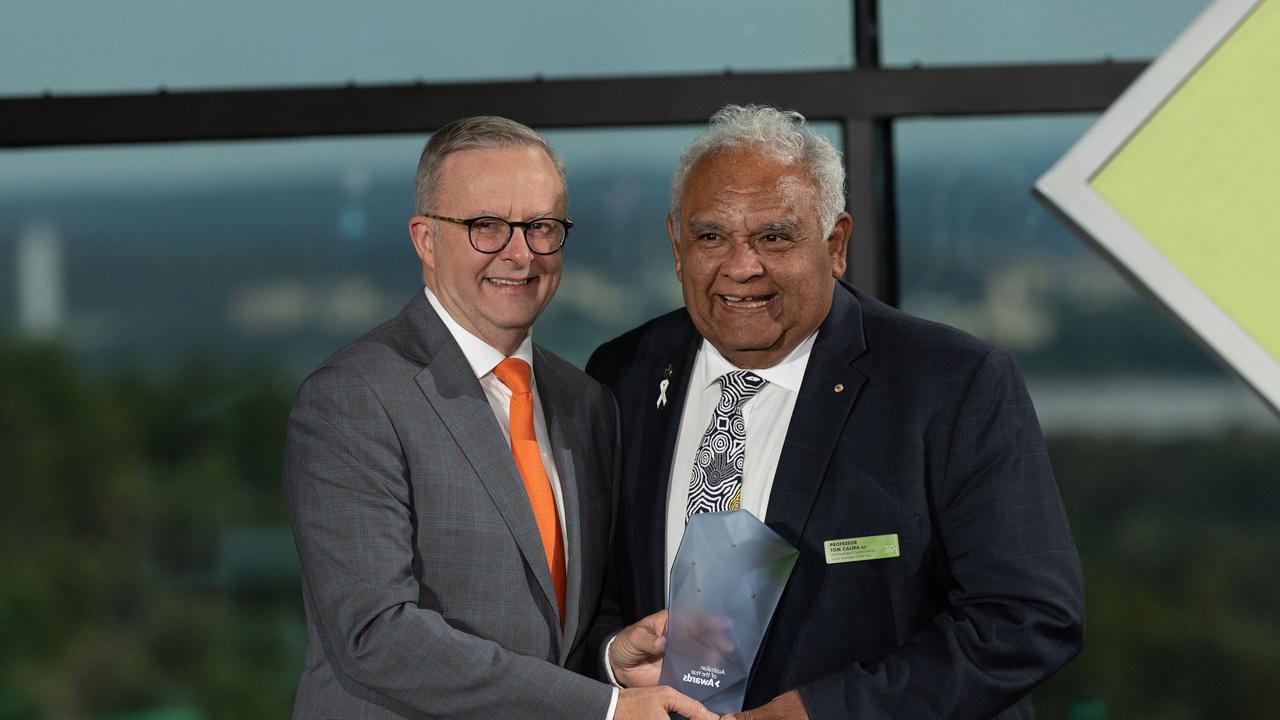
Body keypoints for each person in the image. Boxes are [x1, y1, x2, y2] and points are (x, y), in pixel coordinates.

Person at [586, 104, 1085, 720]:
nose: (741, 267)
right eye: (711, 236)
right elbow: (586, 593)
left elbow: (1028, 619)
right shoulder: (622, 373)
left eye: (774, 237)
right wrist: (611, 655)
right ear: (676, 244)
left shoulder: (952, 383)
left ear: (836, 243)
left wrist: (817, 714)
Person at [284, 116, 715, 720]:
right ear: (426, 239)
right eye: (486, 226)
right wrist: (605, 710)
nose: (520, 253)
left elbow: (557, 636)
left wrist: (612, 659)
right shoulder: (352, 398)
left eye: (542, 227)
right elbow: (376, 635)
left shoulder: (586, 404)